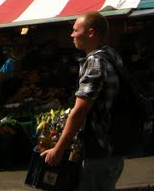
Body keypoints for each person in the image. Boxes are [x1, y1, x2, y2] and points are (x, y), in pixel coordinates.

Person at [42, 11, 125, 190]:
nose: (71, 35)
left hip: (98, 151)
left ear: (91, 33)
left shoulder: (96, 62)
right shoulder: (111, 54)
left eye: (75, 30)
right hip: (112, 148)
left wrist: (59, 149)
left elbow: (80, 111)